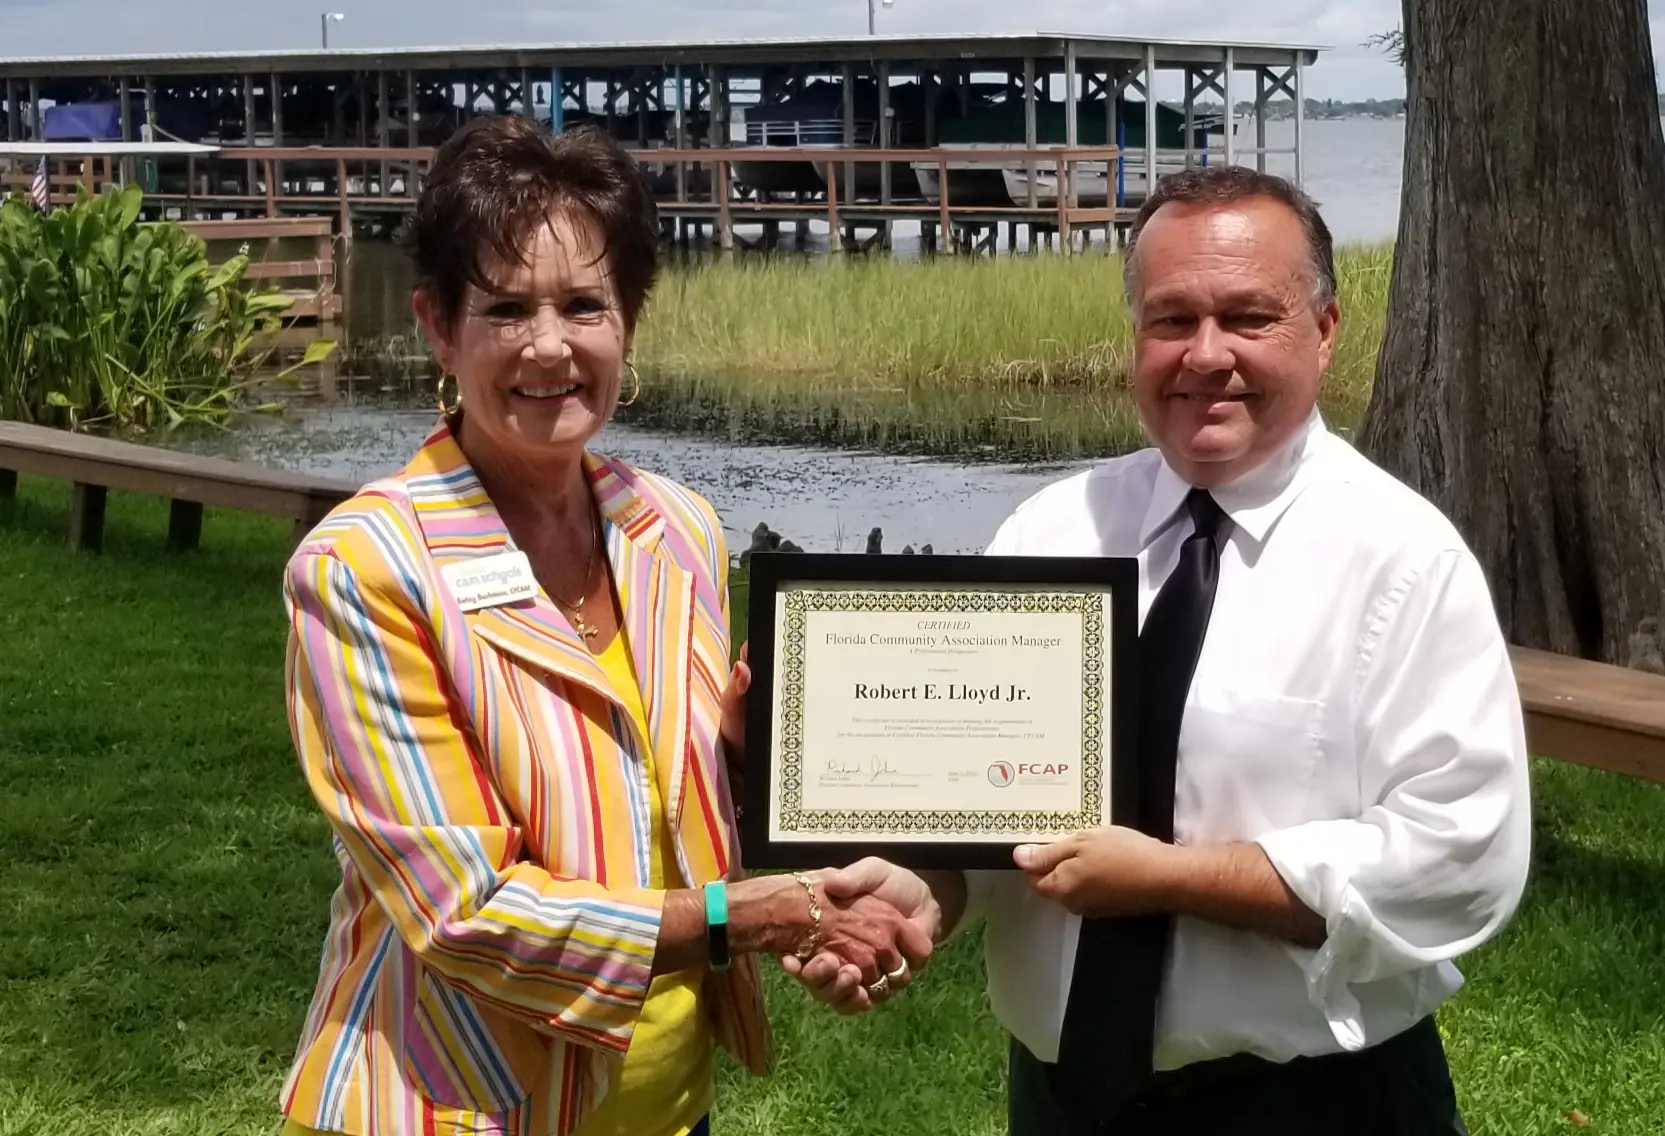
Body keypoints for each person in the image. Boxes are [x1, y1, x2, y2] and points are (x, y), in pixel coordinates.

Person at [789, 164, 1532, 1133]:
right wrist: (926, 890)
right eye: (1172, 320)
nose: (1205, 354)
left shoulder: (1402, 560)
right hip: (1065, 1100)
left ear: (1327, 328)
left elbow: (1458, 857)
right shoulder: (1052, 529)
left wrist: (1172, 877)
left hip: (1311, 1104)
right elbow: (983, 791)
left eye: (1248, 318)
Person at [276, 116, 936, 1136]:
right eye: (505, 308)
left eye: (584, 303)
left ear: (628, 318)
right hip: (462, 1103)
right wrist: (748, 916)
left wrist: (769, 772)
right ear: (437, 326)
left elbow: (667, 795)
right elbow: (465, 911)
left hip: (671, 1101)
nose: (550, 344)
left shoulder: (673, 525)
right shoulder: (365, 568)